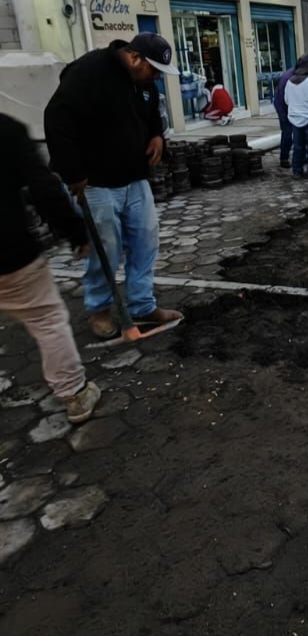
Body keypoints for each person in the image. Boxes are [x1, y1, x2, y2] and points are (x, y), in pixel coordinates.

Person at [44, 32, 183, 339]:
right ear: (134, 58)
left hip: (134, 177)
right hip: (96, 183)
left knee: (146, 241)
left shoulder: (142, 80)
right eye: (154, 70)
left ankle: (142, 304)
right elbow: (57, 119)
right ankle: (100, 309)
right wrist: (73, 172)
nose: (156, 78)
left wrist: (157, 134)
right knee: (105, 248)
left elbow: (149, 110)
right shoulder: (88, 73)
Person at [0, 113, 100, 424]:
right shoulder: (6, 130)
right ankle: (75, 394)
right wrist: (76, 233)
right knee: (47, 319)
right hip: (9, 253)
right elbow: (44, 188)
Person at [273, 64, 295, 168]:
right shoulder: (290, 78)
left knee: (292, 132)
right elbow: (284, 100)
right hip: (283, 107)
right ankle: (284, 159)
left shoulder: (295, 74)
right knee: (287, 133)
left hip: (287, 106)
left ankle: (299, 156)